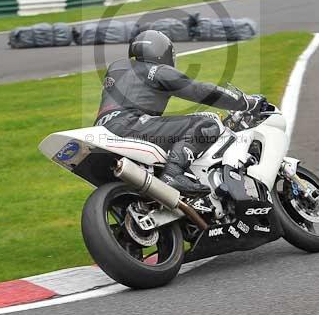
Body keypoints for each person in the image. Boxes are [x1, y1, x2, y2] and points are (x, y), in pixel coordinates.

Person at [95, 30, 266, 194]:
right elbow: (200, 90)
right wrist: (244, 102)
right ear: (162, 52)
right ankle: (173, 174)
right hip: (129, 125)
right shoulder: (155, 71)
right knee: (207, 123)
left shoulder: (117, 68)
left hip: (101, 131)